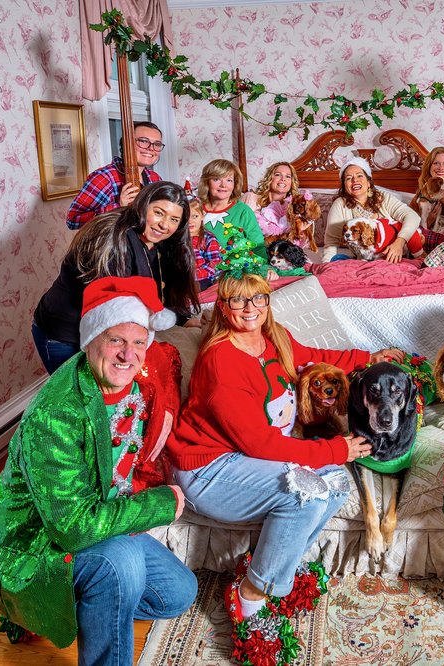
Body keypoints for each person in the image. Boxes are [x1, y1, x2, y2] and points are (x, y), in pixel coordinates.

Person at [167, 243, 403, 664]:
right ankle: (251, 595)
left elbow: (315, 357)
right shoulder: (222, 361)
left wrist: (367, 357)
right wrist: (336, 448)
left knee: (333, 484)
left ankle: (273, 570)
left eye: (257, 296)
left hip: (245, 458)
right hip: (209, 468)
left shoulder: (272, 337)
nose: (249, 307)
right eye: (237, 299)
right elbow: (259, 444)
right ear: (222, 305)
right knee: (308, 490)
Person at [0, 276, 197, 666]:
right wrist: (160, 503)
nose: (128, 355)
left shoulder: (133, 384)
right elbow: (73, 527)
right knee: (122, 563)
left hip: (97, 517)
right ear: (91, 340)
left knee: (176, 592)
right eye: (116, 340)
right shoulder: (57, 414)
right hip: (36, 543)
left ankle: (89, 605)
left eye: (138, 343)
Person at [33, 181, 200, 374]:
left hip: (104, 332)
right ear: (143, 205)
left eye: (174, 219)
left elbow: (158, 288)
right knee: (76, 399)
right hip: (65, 334)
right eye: (159, 212)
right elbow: (116, 306)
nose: (164, 224)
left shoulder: (159, 241)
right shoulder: (111, 236)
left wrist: (180, 316)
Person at [323, 156, 444, 262]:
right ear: (345, 186)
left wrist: (399, 242)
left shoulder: (382, 198)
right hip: (380, 256)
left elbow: (412, 217)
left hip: (412, 235)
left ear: (369, 182)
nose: (355, 180)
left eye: (359, 175)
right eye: (349, 178)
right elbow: (331, 243)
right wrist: (326, 267)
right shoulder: (340, 205)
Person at [66, 121, 165, 230]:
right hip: (115, 245)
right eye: (143, 141)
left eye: (157, 144)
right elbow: (73, 220)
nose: (151, 148)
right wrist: (118, 206)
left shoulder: (155, 178)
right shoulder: (104, 177)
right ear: (127, 144)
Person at [198, 158, 264, 251]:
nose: (223, 185)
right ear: (206, 182)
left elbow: (258, 246)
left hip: (235, 265)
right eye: (216, 179)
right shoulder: (195, 209)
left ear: (235, 184)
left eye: (229, 180)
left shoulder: (243, 211)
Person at [188, 197, 223, 290]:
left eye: (195, 216)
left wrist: (195, 275)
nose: (190, 221)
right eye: (185, 217)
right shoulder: (178, 238)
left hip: (203, 278)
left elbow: (215, 262)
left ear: (202, 216)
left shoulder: (208, 238)